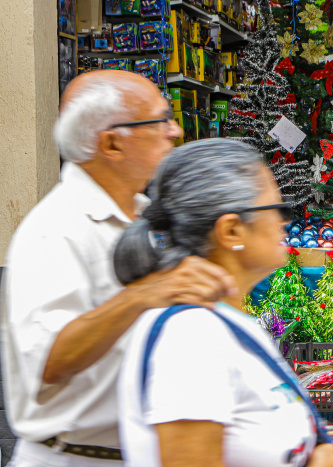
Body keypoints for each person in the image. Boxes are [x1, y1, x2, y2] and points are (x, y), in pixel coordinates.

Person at [1, 71, 236, 466]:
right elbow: (47, 362)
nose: (175, 131)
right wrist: (144, 294)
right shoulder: (56, 229)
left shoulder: (145, 216)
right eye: (160, 120)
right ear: (112, 142)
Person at [115, 139, 333, 467]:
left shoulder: (227, 320)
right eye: (275, 209)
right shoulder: (189, 337)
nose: (286, 222)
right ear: (231, 231)